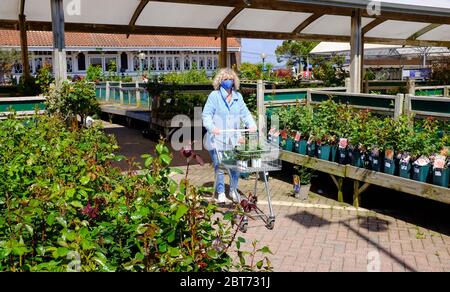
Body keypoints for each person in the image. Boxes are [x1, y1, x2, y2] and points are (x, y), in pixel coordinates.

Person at [202, 68, 257, 204]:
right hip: (217, 138)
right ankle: (220, 192)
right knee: (220, 165)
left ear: (234, 81)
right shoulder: (214, 96)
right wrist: (211, 127)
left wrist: (252, 125)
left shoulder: (238, 97)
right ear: (220, 81)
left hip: (233, 138)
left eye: (230, 79)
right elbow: (206, 114)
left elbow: (245, 114)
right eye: (225, 79)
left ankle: (233, 190)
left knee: (234, 166)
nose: (228, 81)